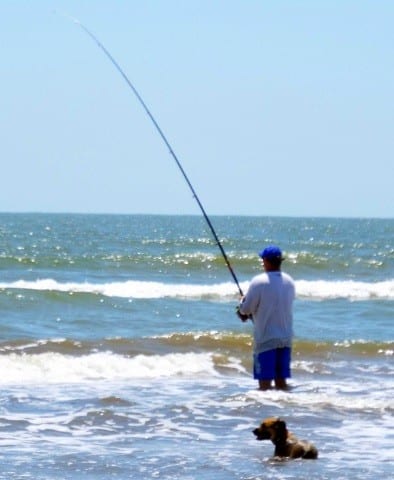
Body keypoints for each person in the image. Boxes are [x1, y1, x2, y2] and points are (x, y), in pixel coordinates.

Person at [236, 245, 295, 391]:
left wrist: (242, 301)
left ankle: (267, 411)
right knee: (282, 383)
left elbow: (246, 309)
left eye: (263, 260)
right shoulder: (289, 281)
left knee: (264, 386)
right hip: (285, 339)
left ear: (266, 261)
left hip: (266, 340)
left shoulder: (259, 281)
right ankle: (283, 411)